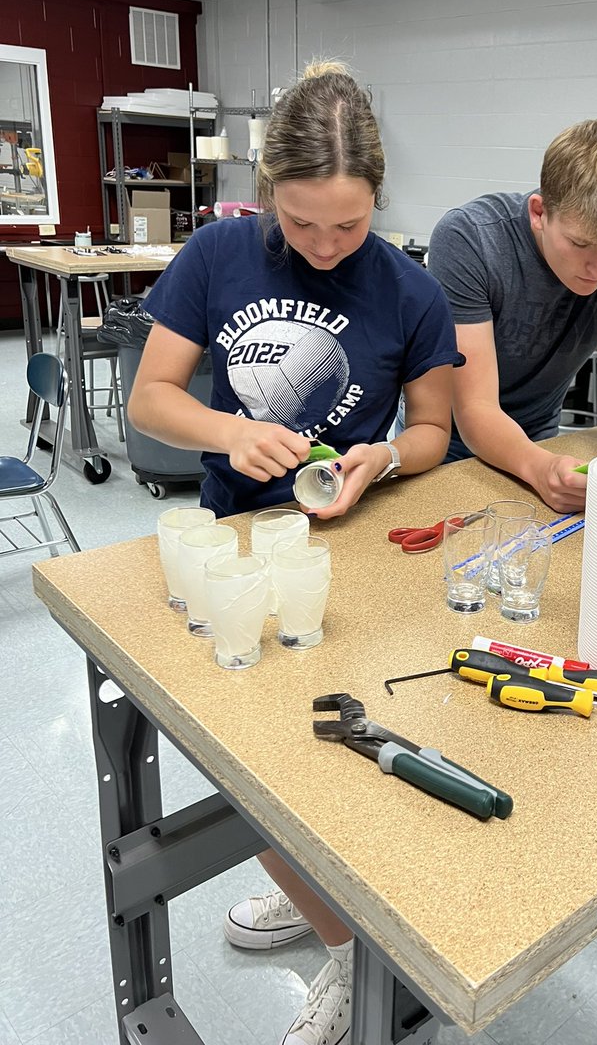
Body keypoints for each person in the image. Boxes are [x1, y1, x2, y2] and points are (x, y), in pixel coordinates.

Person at [128, 61, 462, 1045]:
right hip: (239, 547)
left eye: (347, 226)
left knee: (341, 755)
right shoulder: (217, 255)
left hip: (351, 557)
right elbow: (154, 398)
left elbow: (438, 430)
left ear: (379, 201)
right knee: (252, 768)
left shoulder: (410, 290)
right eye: (301, 221)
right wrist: (229, 433)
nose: (321, 247)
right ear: (267, 191)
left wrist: (386, 458)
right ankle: (338, 930)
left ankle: (345, 920)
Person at [426, 118, 597, 513]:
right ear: (539, 212)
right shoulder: (470, 239)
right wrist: (539, 469)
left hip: (544, 441)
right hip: (446, 447)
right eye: (580, 244)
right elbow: (477, 408)